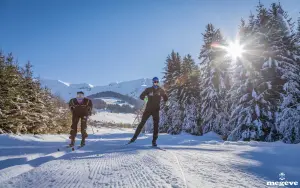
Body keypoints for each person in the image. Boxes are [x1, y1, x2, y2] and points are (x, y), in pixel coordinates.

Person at [128, 77, 168, 146]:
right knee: (141, 124)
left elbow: (165, 98)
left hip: (156, 110)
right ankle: (133, 139)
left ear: (158, 82)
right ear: (152, 82)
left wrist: (166, 101)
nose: (156, 83)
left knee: (156, 126)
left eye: (157, 81)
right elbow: (141, 96)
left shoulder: (161, 90)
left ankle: (154, 142)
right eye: (154, 82)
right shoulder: (148, 89)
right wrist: (145, 98)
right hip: (148, 110)